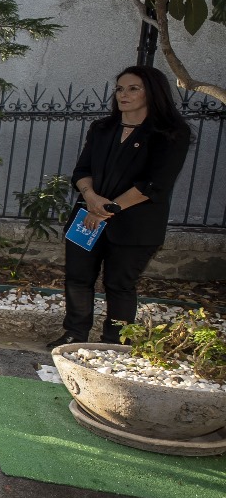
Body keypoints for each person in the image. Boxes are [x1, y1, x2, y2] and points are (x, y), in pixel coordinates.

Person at [52, 65, 194, 348]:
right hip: (87, 217)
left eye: (133, 88)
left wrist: (108, 209)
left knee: (119, 285)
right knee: (77, 279)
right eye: (119, 89)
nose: (123, 95)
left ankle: (114, 343)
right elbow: (81, 171)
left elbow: (154, 185)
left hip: (135, 225)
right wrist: (92, 198)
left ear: (151, 93)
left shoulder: (170, 133)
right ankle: (74, 334)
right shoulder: (102, 128)